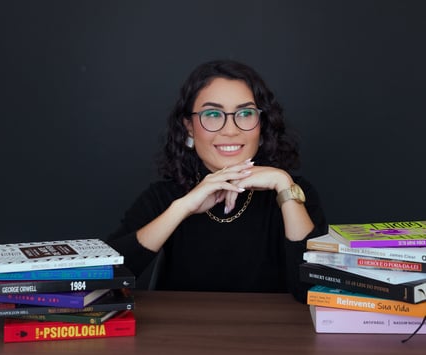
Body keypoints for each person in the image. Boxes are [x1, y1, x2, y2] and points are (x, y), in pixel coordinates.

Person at [107, 59, 327, 303]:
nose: (230, 130)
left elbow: (318, 292)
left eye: (245, 113)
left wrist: (284, 185)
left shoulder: (296, 192)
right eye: (212, 114)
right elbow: (105, 282)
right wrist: (182, 208)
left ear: (261, 126)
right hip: (181, 337)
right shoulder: (164, 195)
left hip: (274, 338)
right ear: (189, 127)